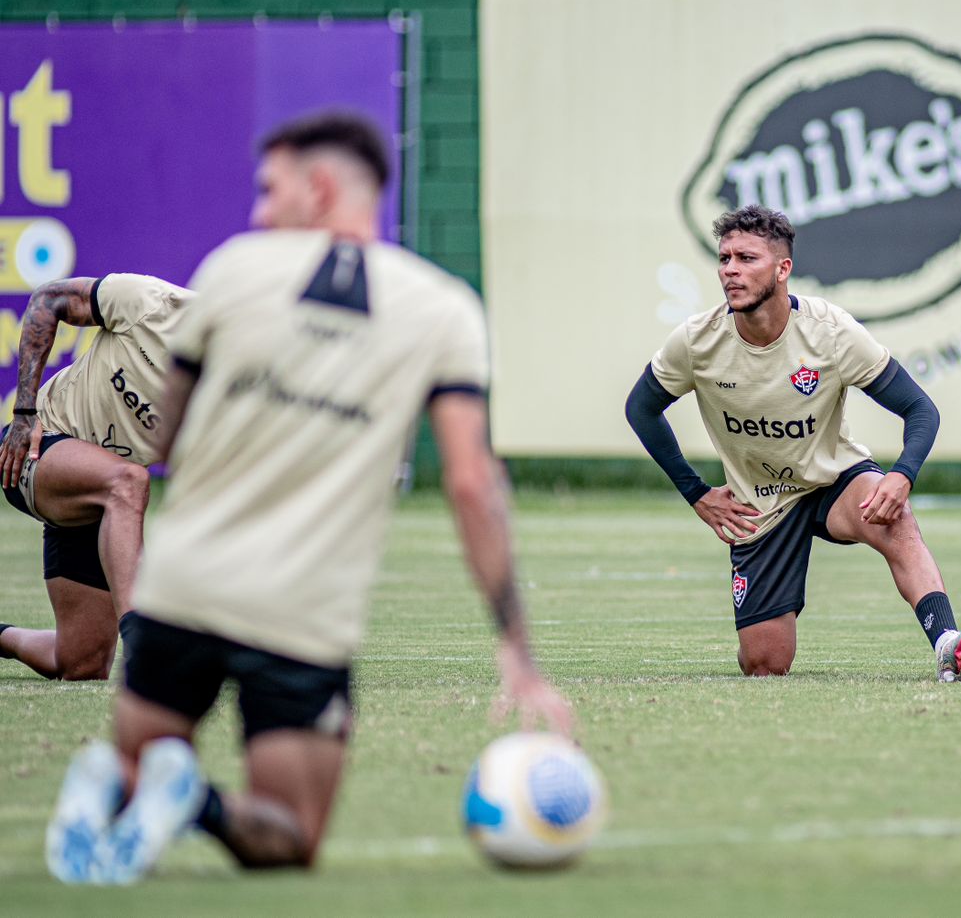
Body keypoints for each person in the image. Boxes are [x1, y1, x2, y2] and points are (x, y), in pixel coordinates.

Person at [45, 110, 572, 884]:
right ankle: (195, 803)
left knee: (129, 775)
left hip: (181, 588)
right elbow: (471, 483)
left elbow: (169, 440)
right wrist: (517, 650)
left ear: (319, 187)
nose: (259, 211)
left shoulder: (232, 270)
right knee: (290, 836)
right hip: (300, 613)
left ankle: (148, 789)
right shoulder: (443, 309)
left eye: (269, 189)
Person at [624, 204, 961, 682]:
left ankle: (946, 643)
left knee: (896, 518)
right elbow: (640, 409)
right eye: (725, 258)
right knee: (765, 665)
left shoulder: (831, 332)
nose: (731, 270)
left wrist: (901, 475)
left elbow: (921, 409)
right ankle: (755, 631)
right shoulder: (697, 341)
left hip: (832, 478)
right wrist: (697, 493)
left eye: (747, 259)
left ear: (783, 269)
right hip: (760, 504)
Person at [0, 271, 190, 680]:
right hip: (38, 449)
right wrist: (24, 413)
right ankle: (143, 640)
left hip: (99, 505)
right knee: (130, 481)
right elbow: (46, 301)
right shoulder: (150, 303)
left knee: (81, 663)